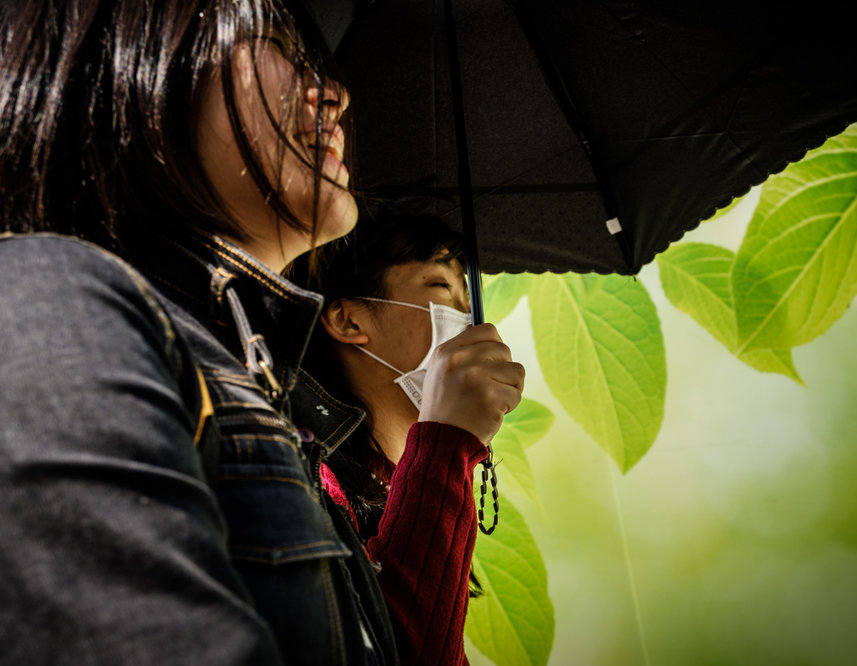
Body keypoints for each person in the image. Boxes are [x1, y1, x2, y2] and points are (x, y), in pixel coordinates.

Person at [0, 2, 524, 664]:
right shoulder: (57, 303)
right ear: (132, 73)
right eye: (272, 41)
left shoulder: (265, 410)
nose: (334, 94)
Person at [288, 213, 490, 665]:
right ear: (347, 320)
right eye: (440, 288)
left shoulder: (399, 482)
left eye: (468, 296)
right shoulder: (308, 481)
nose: (471, 320)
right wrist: (448, 440)